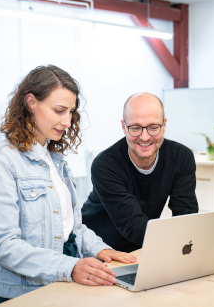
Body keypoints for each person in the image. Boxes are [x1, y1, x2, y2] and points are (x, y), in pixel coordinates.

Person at [0, 65, 136, 307]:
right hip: (19, 294)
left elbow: (71, 228)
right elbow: (3, 246)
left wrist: (99, 249)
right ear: (31, 102)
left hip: (61, 282)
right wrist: (70, 267)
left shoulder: (55, 162)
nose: (67, 121)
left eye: (70, 112)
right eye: (59, 111)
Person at [82, 92, 199, 253]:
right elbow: (133, 226)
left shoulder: (181, 157)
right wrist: (177, 242)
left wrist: (199, 238)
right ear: (124, 127)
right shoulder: (105, 165)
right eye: (135, 128)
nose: (145, 137)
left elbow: (186, 215)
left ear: (164, 125)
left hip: (143, 247)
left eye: (153, 128)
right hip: (100, 250)